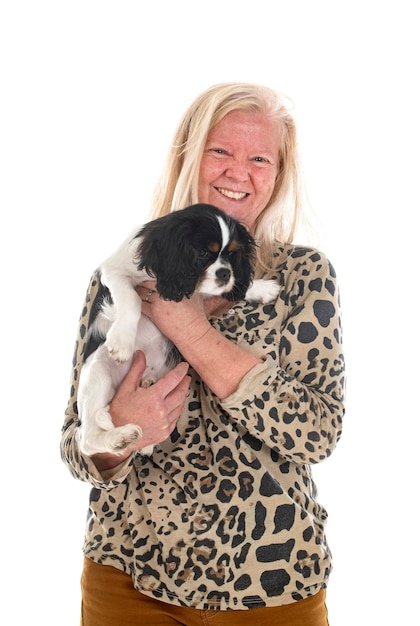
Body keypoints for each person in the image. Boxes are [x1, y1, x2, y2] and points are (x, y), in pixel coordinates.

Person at [61, 82, 346, 626]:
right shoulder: (126, 269)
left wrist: (188, 328)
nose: (238, 172)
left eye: (259, 158)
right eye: (221, 151)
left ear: (278, 175)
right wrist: (121, 434)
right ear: (189, 157)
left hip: (271, 584)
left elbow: (317, 431)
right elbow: (75, 450)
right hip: (128, 578)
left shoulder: (304, 278)